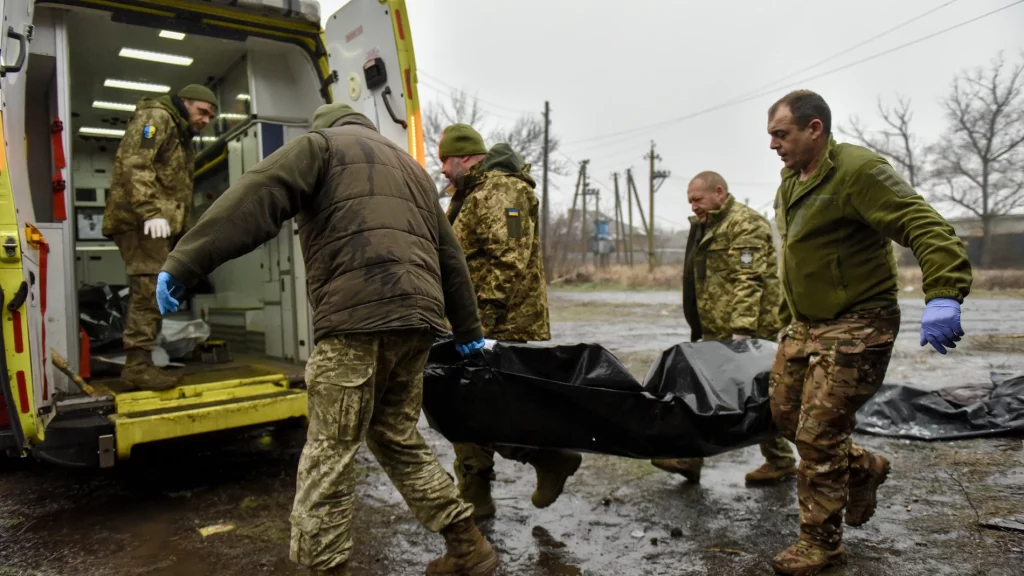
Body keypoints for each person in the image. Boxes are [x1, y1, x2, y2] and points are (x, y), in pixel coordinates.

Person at [155, 104, 498, 576]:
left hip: (356, 320)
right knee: (396, 436)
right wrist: (468, 332)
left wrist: (185, 260)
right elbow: (451, 257)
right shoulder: (414, 170)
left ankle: (325, 568)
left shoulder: (321, 147)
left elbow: (257, 197)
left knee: (330, 449)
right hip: (417, 322)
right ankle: (467, 545)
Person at [765, 90, 972, 575]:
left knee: (818, 434)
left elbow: (923, 223)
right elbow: (796, 260)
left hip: (859, 322)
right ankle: (864, 467)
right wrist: (783, 319)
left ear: (814, 128)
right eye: (772, 136)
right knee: (785, 416)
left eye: (781, 134)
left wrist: (943, 292)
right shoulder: (791, 183)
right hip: (806, 325)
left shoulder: (857, 171)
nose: (774, 145)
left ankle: (821, 543)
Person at [439, 124, 582, 519]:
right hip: (478, 325)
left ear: (465, 157)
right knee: (466, 406)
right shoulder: (473, 194)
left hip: (499, 326)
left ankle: (548, 458)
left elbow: (508, 260)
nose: (444, 172)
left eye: (445, 163)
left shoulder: (502, 190)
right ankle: (476, 492)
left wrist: (475, 326)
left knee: (485, 408)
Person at [650, 171, 797, 485]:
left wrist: (742, 331)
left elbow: (749, 279)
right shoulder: (710, 226)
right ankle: (694, 459)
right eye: (690, 201)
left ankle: (795, 459)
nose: (693, 206)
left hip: (748, 331)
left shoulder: (746, 224)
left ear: (719, 192)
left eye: (697, 199)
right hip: (718, 329)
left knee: (759, 397)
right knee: (714, 393)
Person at [102, 84, 218, 391]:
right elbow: (135, 163)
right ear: (185, 102)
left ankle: (143, 363)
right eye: (202, 111)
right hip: (140, 220)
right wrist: (150, 211)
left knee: (156, 287)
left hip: (155, 223)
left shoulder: (180, 133)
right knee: (150, 285)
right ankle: (138, 367)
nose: (206, 120)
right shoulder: (156, 117)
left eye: (211, 117)